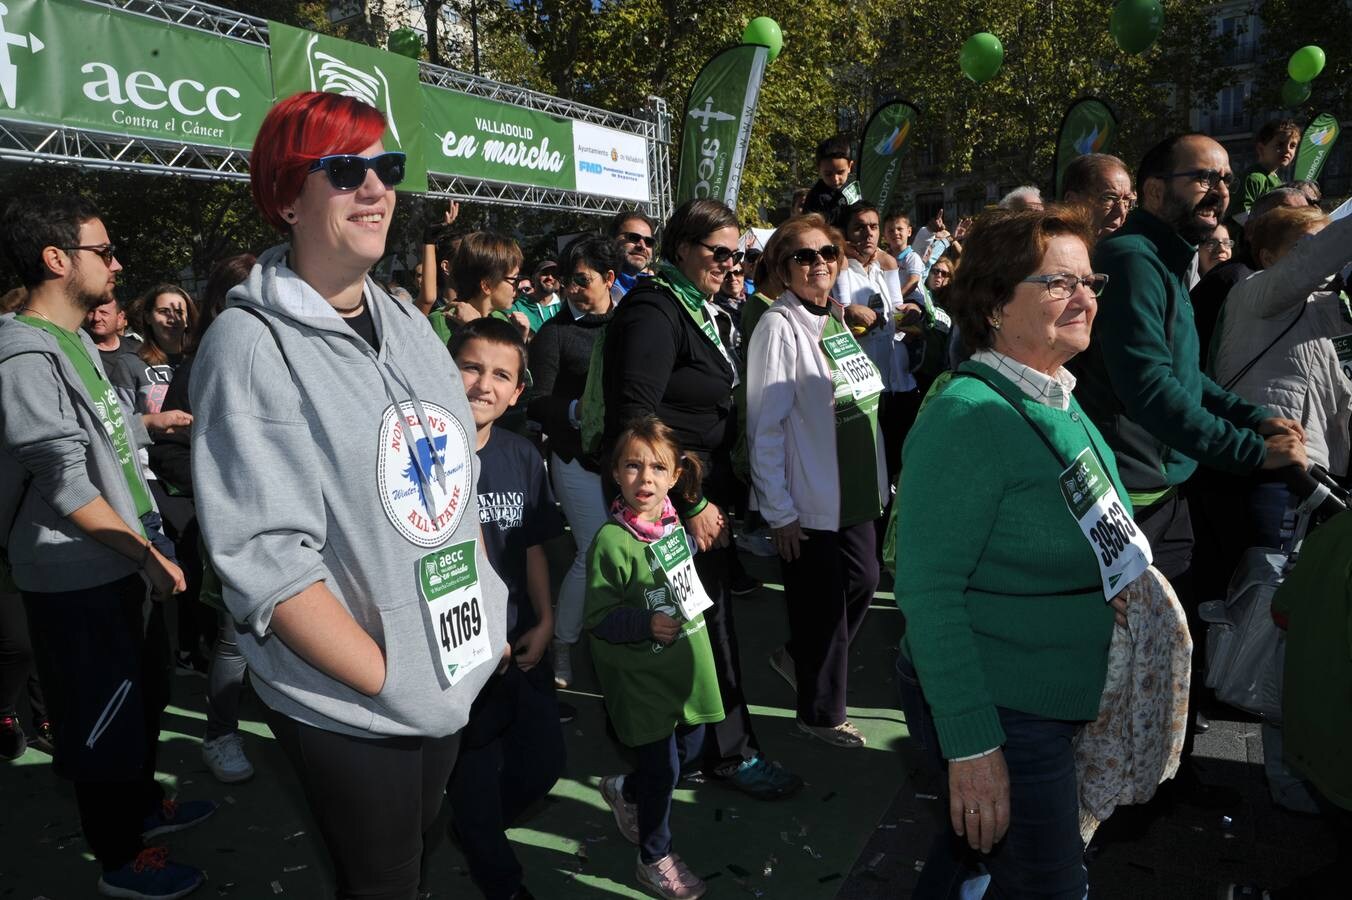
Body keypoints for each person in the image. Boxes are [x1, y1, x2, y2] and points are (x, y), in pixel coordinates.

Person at [190, 91, 509, 899]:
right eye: (344, 171)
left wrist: (487, 610)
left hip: (449, 667)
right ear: (286, 197)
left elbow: (455, 490)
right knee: (384, 881)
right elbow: (267, 563)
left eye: (386, 168)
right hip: (351, 699)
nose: (375, 189)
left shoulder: (404, 319)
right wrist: (386, 673)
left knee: (419, 852)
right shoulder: (249, 347)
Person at [896, 205, 1141, 897]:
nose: (1087, 297)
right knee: (1046, 884)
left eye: (1090, 281)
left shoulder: (1053, 392)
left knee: (973, 854)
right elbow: (928, 590)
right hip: (1003, 705)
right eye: (1061, 283)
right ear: (998, 303)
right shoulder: (969, 416)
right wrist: (973, 745)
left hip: (1050, 689)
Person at [1068, 134, 1309, 798]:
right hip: (1131, 500)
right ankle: (1116, 795)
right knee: (1133, 660)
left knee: (1165, 652)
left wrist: (1250, 414)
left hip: (1164, 494)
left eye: (1226, 178)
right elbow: (1150, 391)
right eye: (1202, 177)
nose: (1221, 189)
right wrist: (1250, 451)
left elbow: (1189, 378)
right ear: (1153, 191)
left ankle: (1151, 776)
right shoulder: (1133, 258)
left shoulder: (1167, 260)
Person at [0, 194, 212, 899]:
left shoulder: (79, 342)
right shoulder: (22, 353)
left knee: (144, 697)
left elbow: (112, 444)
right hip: (77, 569)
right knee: (101, 714)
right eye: (104, 250)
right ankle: (120, 858)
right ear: (57, 259)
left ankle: (143, 809)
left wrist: (149, 519)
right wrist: (145, 554)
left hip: (122, 552)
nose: (117, 264)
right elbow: (62, 482)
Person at [601, 198, 802, 800]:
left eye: (737, 254)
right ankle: (724, 754)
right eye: (719, 252)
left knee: (695, 623)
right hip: (671, 499)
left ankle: (682, 754)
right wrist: (687, 503)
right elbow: (634, 419)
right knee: (702, 624)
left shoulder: (697, 309)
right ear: (682, 248)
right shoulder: (654, 311)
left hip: (696, 491)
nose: (729, 263)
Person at [746, 214, 887, 748]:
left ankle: (800, 657)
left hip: (857, 492)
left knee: (866, 580)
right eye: (803, 256)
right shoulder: (778, 327)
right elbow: (764, 426)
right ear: (783, 269)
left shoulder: (833, 317)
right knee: (823, 606)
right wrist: (779, 511)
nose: (818, 263)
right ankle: (820, 713)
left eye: (827, 252)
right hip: (810, 500)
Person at [447, 318, 566, 900]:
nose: (483, 384)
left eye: (501, 374)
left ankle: (476, 826)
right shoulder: (417, 455)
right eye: (471, 367)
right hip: (461, 656)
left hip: (522, 645)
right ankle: (499, 876)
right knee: (471, 770)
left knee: (543, 763)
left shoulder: (521, 456)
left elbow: (534, 545)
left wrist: (545, 621)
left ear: (519, 391)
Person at [587, 417, 723, 900]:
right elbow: (599, 617)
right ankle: (654, 858)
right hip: (639, 674)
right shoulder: (611, 541)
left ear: (675, 477)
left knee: (692, 744)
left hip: (683, 667)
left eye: (657, 468)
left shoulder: (674, 526)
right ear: (615, 473)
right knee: (664, 767)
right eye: (632, 466)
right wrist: (642, 625)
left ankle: (627, 790)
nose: (645, 478)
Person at [147, 253, 258, 785]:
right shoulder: (201, 364)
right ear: (221, 303)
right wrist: (221, 484)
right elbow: (167, 454)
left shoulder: (292, 352)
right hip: (237, 526)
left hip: (298, 524)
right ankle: (221, 734)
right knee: (236, 639)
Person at [1212, 206, 1352, 538]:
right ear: (1268, 256)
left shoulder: (1333, 308)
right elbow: (1311, 264)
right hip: (1272, 469)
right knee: (1263, 581)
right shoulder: (1252, 290)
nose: (1322, 257)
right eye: (1304, 245)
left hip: (1322, 477)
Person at [525, 236, 619, 690]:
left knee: (624, 553)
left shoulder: (629, 326)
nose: (573, 290)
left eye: (583, 280)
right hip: (575, 458)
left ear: (610, 280)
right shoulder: (554, 333)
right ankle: (562, 642)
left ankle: (618, 637)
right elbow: (536, 402)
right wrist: (577, 411)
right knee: (593, 550)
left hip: (627, 462)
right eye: (567, 282)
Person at [833, 201, 920, 487]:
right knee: (870, 468)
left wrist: (911, 312)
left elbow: (896, 309)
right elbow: (839, 314)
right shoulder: (839, 264)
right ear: (846, 233)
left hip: (897, 381)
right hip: (862, 387)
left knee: (899, 462)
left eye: (872, 226)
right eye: (859, 227)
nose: (868, 233)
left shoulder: (888, 264)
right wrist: (848, 313)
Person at [1062, 153, 1136, 237]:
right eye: (1109, 198)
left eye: (1127, 200)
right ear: (1072, 201)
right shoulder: (1050, 246)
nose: (1121, 211)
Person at [1239, 119, 1301, 216]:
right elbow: (1241, 214)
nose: (1287, 150)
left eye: (1292, 146)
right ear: (1261, 149)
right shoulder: (1253, 178)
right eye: (1280, 144)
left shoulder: (1277, 180)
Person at [84, 295, 143, 389]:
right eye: (91, 312)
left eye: (103, 313)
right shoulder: (77, 349)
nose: (96, 318)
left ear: (120, 317)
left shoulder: (137, 350)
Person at [802, 135, 858, 224]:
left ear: (850, 167)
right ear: (819, 169)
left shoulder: (854, 187)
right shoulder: (815, 197)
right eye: (828, 174)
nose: (835, 179)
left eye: (840, 172)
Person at [610, 209, 657, 302]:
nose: (642, 246)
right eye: (634, 237)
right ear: (612, 240)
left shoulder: (657, 287)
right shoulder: (597, 285)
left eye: (649, 241)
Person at [510, 259, 563, 335]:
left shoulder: (563, 307)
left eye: (554, 275)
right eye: (545, 273)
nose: (550, 277)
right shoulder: (518, 307)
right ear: (534, 278)